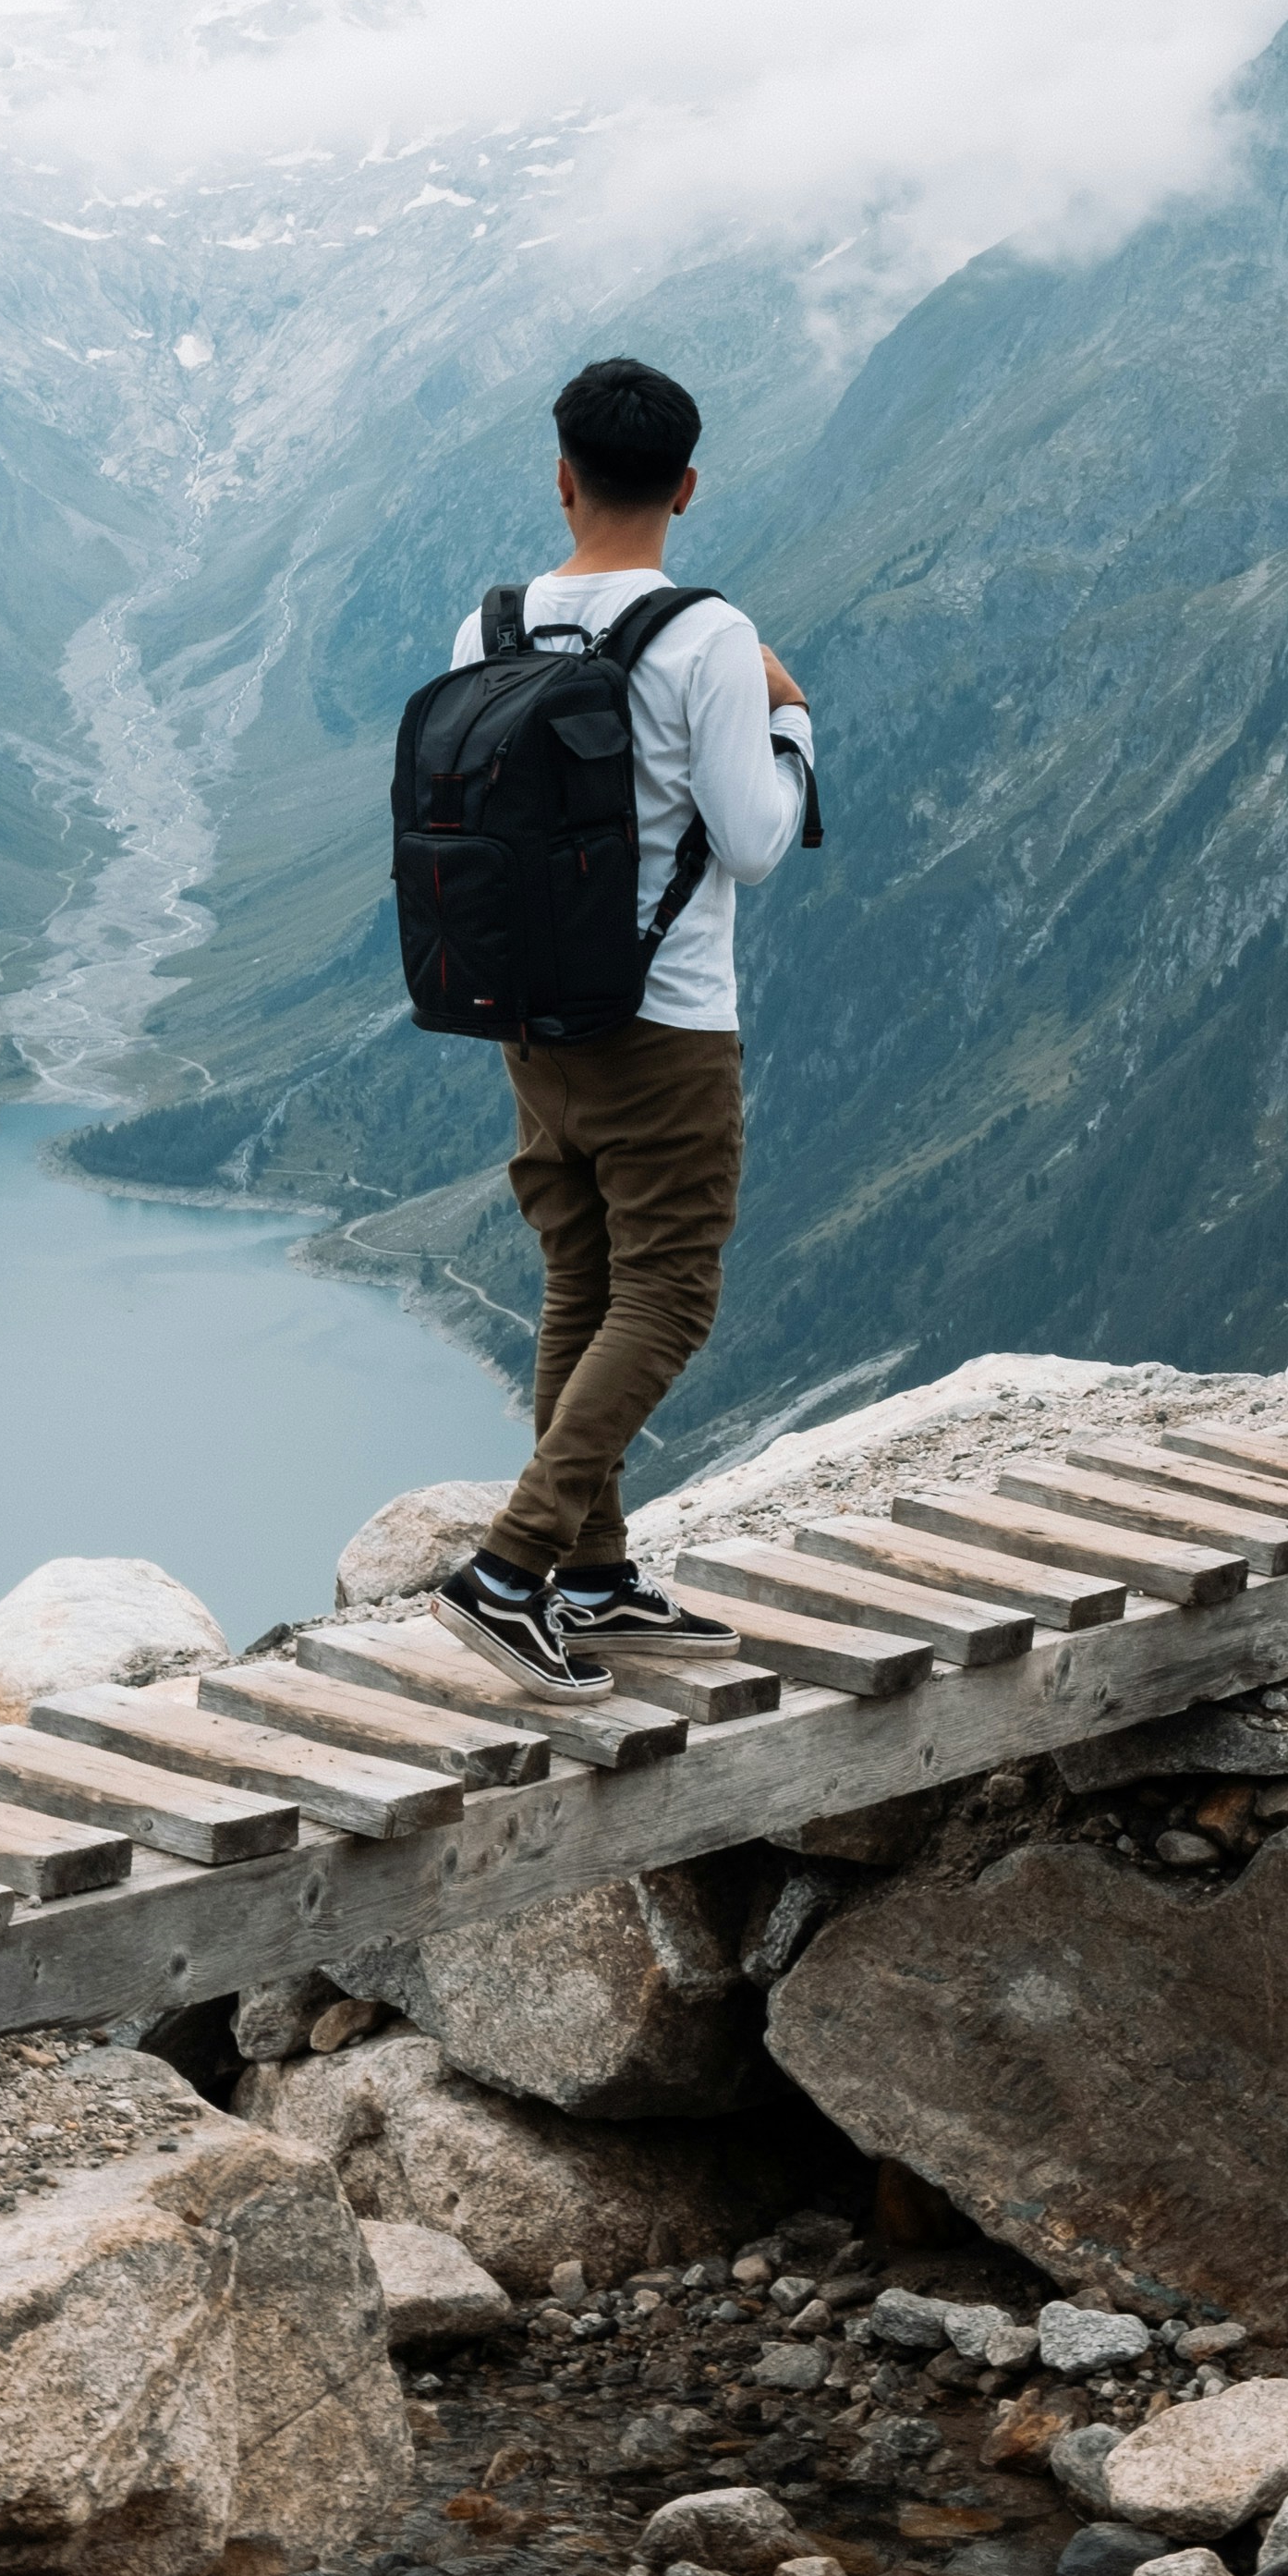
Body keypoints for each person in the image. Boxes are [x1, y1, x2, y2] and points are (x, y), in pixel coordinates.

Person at [433, 354, 817, 1703]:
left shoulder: (488, 629)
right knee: (665, 1293)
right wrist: (793, 718)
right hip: (665, 1030)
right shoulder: (708, 636)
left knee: (578, 1289)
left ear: (562, 477)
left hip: (530, 1022)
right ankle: (509, 1572)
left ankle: (591, 1585)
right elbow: (756, 844)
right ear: (688, 488)